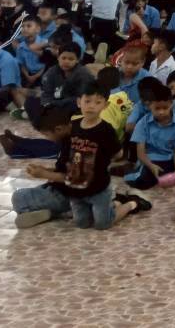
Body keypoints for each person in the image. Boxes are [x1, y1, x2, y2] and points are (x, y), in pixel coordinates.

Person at [12, 80, 144, 230]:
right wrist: (48, 171)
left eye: (97, 102)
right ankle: (104, 205)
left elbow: (118, 153)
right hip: (75, 189)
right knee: (82, 223)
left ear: (105, 105)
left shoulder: (106, 130)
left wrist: (101, 161)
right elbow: (67, 164)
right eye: (87, 101)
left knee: (102, 224)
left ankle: (132, 203)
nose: (91, 106)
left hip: (96, 186)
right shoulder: (73, 127)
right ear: (79, 102)